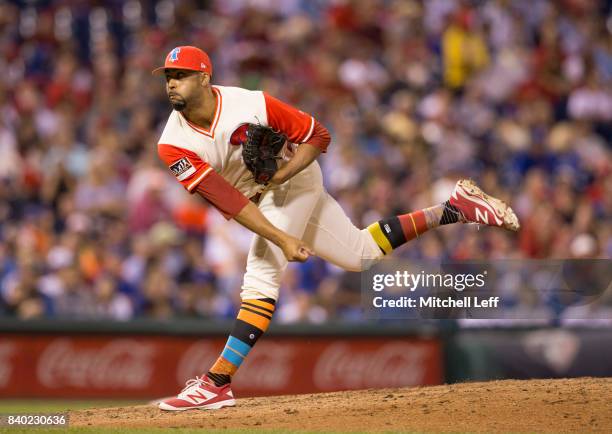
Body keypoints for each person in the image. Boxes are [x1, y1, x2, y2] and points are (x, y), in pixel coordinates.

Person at [153, 46, 520, 411]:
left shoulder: (251, 104)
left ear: (204, 77)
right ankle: (454, 208)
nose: (172, 84)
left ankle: (217, 382)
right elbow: (230, 202)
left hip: (292, 181)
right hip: (258, 198)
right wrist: (282, 235)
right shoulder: (172, 144)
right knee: (360, 255)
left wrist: (283, 177)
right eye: (169, 77)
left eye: (181, 75)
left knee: (262, 274)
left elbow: (318, 135)